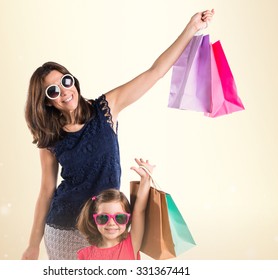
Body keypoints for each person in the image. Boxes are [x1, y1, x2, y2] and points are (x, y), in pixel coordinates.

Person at [22, 9, 214, 260]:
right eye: (53, 91)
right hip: (65, 230)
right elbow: (47, 190)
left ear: (73, 81)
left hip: (107, 225)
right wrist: (33, 244)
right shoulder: (50, 137)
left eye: (65, 81)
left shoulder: (106, 108)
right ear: (47, 102)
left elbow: (154, 72)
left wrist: (191, 28)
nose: (64, 91)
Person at [76, 158, 154, 260]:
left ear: (128, 219)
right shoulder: (84, 255)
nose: (111, 223)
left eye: (120, 217)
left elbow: (139, 211)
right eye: (103, 217)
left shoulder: (132, 242)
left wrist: (146, 178)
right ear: (94, 219)